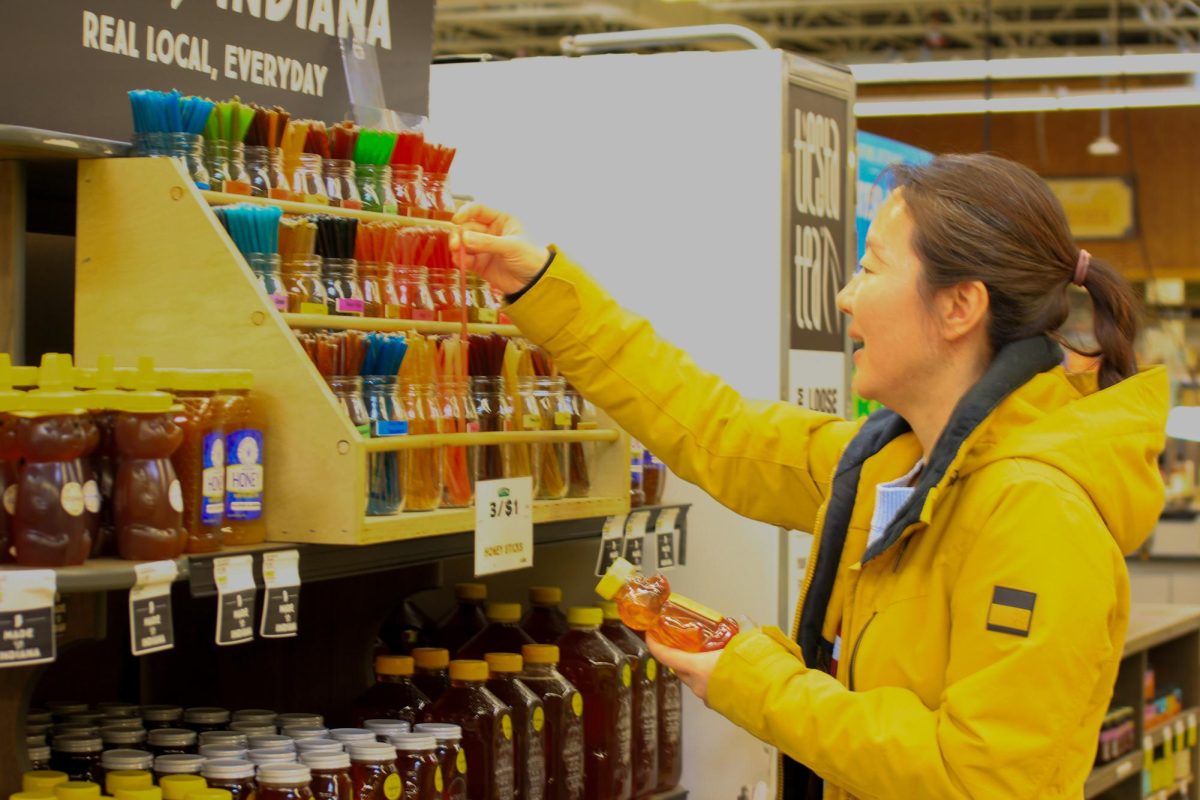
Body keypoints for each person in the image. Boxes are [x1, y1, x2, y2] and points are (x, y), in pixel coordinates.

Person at [450, 153, 1168, 799]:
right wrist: (539, 282)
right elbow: (713, 427)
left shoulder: (1036, 511)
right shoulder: (892, 463)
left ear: (959, 307)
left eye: (873, 267)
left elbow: (982, 778)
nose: (847, 295)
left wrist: (749, 675)